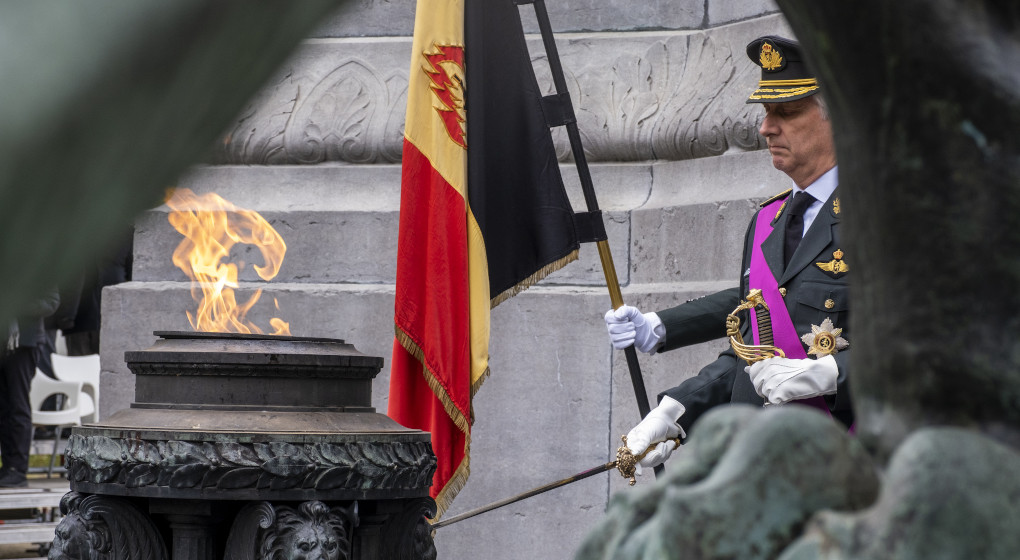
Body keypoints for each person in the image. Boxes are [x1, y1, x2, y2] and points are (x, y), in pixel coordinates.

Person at [605, 36, 852, 470]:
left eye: (786, 112)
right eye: (766, 112)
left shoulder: (886, 221)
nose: (766, 128)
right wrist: (677, 411)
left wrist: (834, 372)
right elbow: (752, 350)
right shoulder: (767, 221)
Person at [0, 288, 60, 487]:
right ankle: (7, 467)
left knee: (17, 404)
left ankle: (17, 469)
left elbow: (51, 302)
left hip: (24, 342)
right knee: (4, 407)